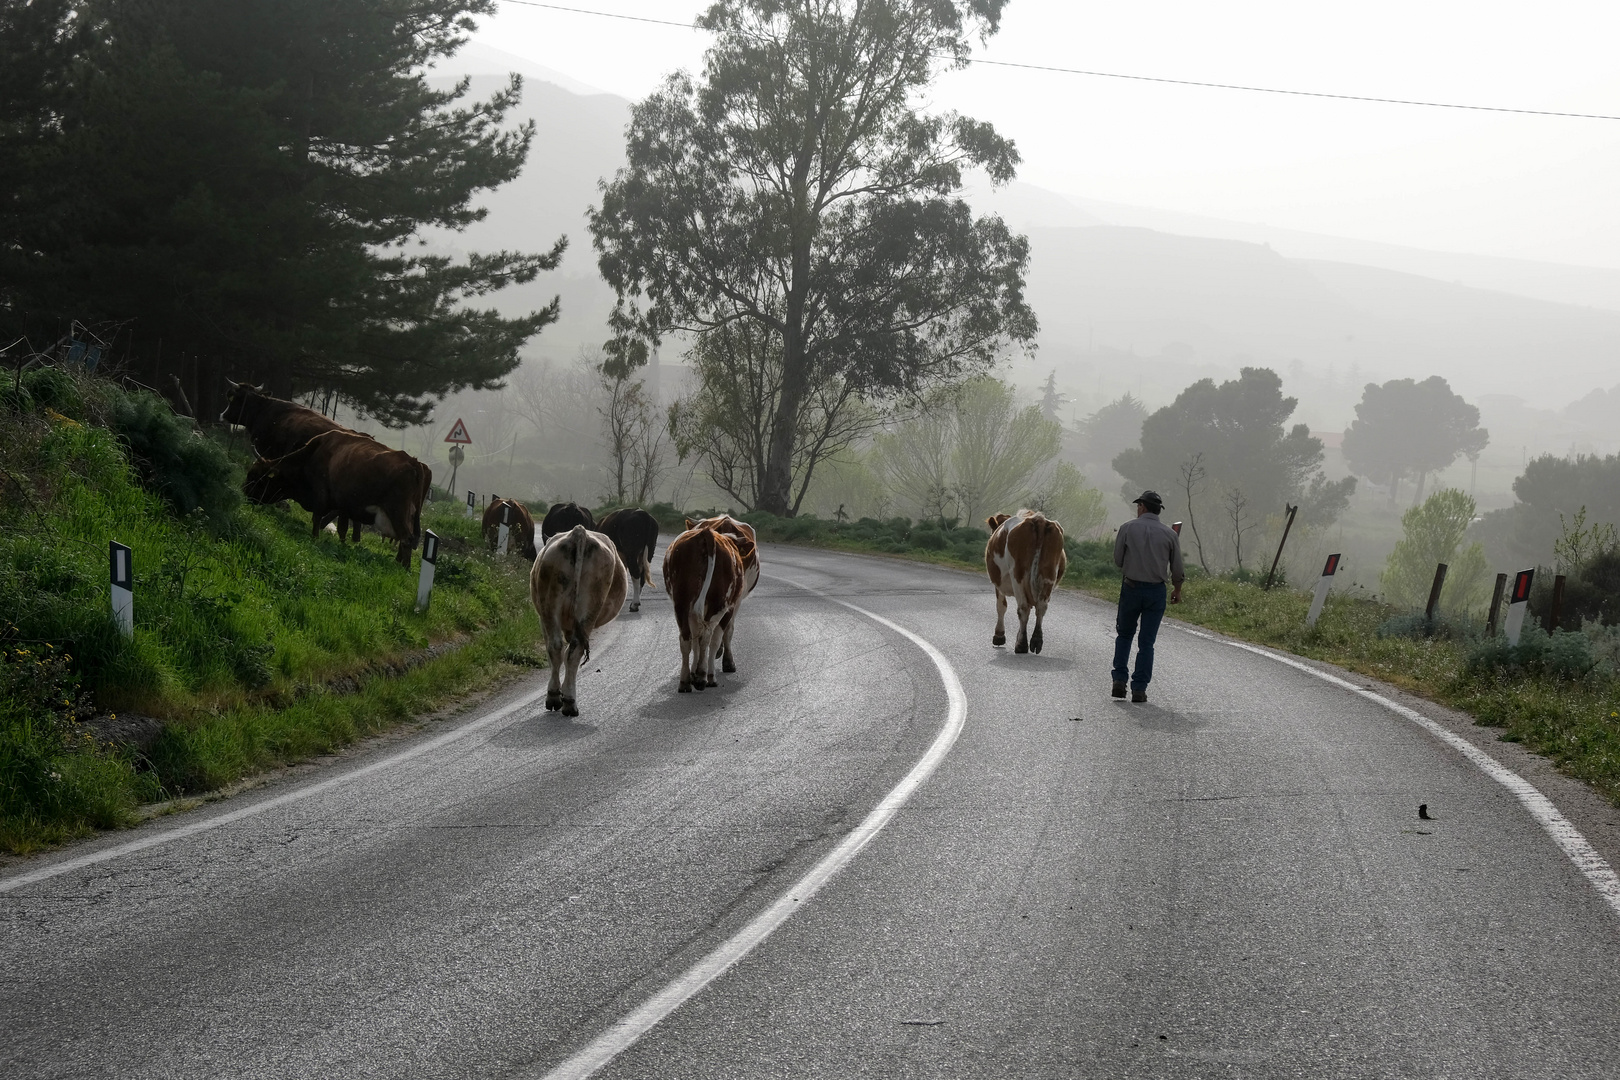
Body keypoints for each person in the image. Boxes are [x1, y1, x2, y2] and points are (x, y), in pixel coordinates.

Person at [1111, 490, 1185, 702]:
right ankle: (1139, 689)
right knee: (1147, 642)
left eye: (1138, 506)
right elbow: (1177, 569)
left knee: (1124, 635)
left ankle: (1119, 680)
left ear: (1142, 506)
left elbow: (1118, 560)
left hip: (1131, 587)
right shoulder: (1170, 534)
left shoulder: (1127, 528)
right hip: (1156, 591)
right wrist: (1177, 590)